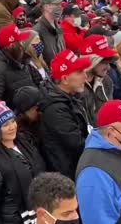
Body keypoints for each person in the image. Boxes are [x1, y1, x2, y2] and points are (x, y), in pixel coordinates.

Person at [0, 94, 46, 224]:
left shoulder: (25, 142)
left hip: (41, 213)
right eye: (5, 125)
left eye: (13, 121)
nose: (12, 127)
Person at [40, 49, 91, 179]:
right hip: (69, 175)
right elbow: (77, 144)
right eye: (80, 72)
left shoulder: (70, 97)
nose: (85, 76)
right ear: (65, 79)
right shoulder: (55, 109)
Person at [0, 24, 36, 107]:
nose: (23, 44)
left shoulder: (21, 58)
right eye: (20, 41)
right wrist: (21, 117)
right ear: (12, 45)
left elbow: (36, 82)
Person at [79, 34, 115, 126]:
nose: (109, 67)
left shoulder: (107, 81)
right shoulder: (74, 88)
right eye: (104, 62)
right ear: (91, 60)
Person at [33, 0, 66, 65]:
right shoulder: (37, 31)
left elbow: (63, 49)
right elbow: (37, 59)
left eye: (60, 5)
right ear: (46, 6)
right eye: (57, 5)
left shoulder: (59, 27)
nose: (60, 7)